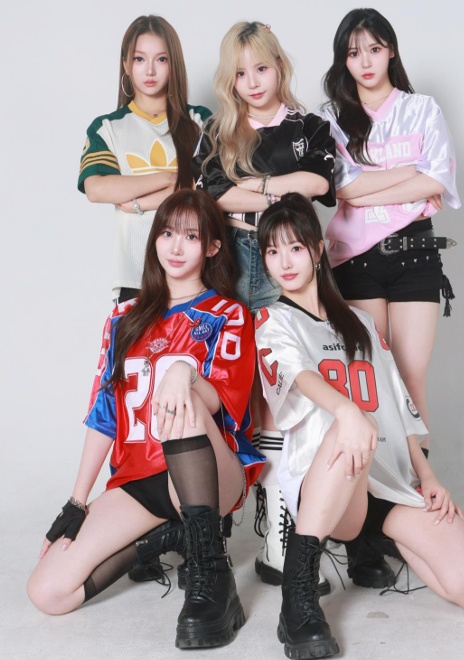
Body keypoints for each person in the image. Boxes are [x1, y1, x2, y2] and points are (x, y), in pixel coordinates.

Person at [254, 193, 464, 659]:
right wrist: (347, 411)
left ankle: (388, 541)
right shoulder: (272, 322)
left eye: (295, 247)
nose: (284, 262)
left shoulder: (362, 323)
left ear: (318, 249)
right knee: (348, 425)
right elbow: (300, 377)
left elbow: (399, 409)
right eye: (272, 251)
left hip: (386, 485)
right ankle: (297, 594)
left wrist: (428, 477)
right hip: (329, 487)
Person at [27, 190, 265, 650]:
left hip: (212, 475)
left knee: (184, 399)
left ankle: (212, 577)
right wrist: (77, 502)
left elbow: (223, 400)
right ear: (154, 239)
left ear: (212, 247)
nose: (176, 247)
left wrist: (183, 373)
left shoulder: (228, 314)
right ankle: (161, 538)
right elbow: (104, 416)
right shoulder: (123, 318)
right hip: (140, 480)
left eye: (191, 237)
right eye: (167, 233)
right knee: (48, 592)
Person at [320, 7, 461, 588]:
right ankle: (369, 527)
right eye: (353, 52)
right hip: (354, 260)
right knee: (372, 387)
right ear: (344, 59)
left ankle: (415, 499)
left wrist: (373, 185)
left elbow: (439, 179)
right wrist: (407, 174)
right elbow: (341, 189)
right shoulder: (332, 117)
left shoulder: (422, 108)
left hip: (415, 256)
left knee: (411, 380)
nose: (365, 62)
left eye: (374, 49)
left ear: (391, 51)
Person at [193, 20, 336, 592]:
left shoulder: (308, 125)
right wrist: (281, 185)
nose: (252, 82)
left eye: (262, 68)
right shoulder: (217, 130)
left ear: (280, 66)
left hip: (287, 261)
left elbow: (320, 183)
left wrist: (254, 188)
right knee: (229, 386)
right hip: (230, 258)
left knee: (283, 387)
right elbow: (213, 194)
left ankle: (281, 531)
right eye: (240, 73)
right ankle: (215, 527)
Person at [78, 15, 211, 302]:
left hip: (196, 278)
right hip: (134, 277)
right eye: (139, 59)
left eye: (161, 59)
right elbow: (96, 188)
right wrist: (170, 177)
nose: (150, 70)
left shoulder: (200, 120)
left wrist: (138, 202)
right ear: (126, 64)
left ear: (174, 64)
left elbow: (210, 188)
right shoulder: (107, 127)